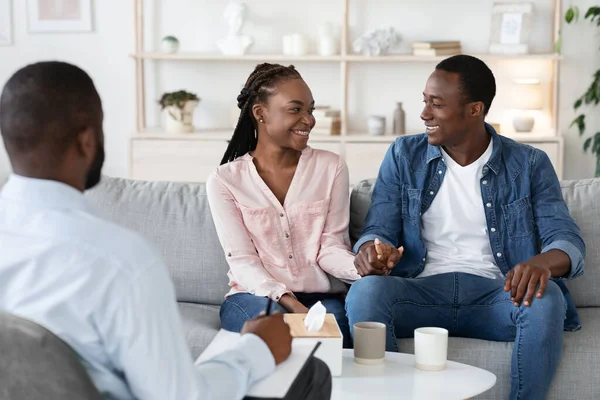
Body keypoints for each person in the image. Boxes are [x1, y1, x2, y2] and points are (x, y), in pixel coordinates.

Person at [0, 61, 331, 400]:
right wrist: (257, 350)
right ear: (87, 141)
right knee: (309, 373)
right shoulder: (121, 262)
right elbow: (181, 396)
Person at [345, 55, 585, 400]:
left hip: (498, 294)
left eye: (437, 104)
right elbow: (378, 227)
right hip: (422, 292)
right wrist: (371, 250)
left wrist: (541, 263)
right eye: (425, 101)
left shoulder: (529, 164)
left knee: (546, 301)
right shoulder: (403, 154)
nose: (425, 113)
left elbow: (566, 239)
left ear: (475, 109)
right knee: (366, 292)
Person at [207, 63, 375, 348]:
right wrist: (290, 303)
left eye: (310, 110)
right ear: (260, 113)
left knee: (335, 340)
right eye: (295, 109)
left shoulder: (330, 167)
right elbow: (243, 261)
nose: (308, 120)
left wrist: (363, 268)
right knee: (272, 330)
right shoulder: (225, 181)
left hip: (322, 297)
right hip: (254, 297)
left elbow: (330, 246)